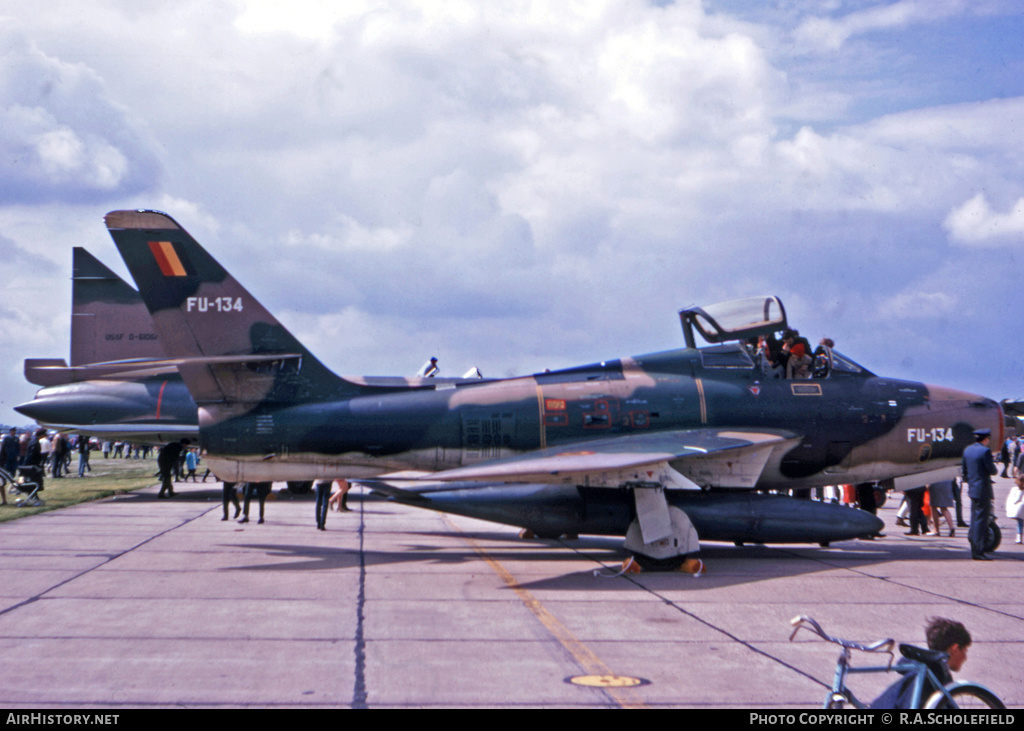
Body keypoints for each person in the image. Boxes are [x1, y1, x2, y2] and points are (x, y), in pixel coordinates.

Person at [871, 617, 971, 708]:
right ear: (955, 649)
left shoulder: (918, 667)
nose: (965, 658)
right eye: (965, 651)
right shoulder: (936, 675)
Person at [962, 428, 997, 560]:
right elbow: (991, 470)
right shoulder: (985, 451)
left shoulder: (968, 450)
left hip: (973, 489)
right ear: (986, 439)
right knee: (981, 521)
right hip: (983, 490)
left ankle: (974, 546)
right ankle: (978, 551)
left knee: (974, 519)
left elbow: (964, 471)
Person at [1006, 476, 1024, 544]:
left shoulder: (1016, 490)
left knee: (1019, 523)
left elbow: (1014, 500)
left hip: (1020, 509)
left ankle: (1019, 538)